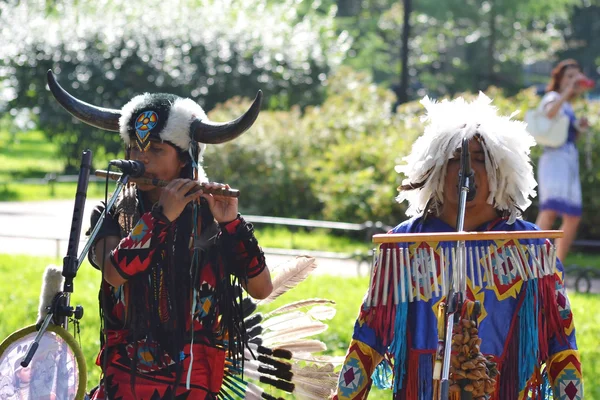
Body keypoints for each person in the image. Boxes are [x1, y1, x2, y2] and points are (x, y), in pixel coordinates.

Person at [333, 94, 582, 399]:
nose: (467, 169)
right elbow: (369, 331)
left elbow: (560, 337)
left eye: (480, 159)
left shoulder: (531, 246)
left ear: (500, 170)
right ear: (436, 167)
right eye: (455, 159)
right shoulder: (403, 244)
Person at [47, 71, 273, 399]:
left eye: (155, 150)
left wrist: (233, 224)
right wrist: (161, 217)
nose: (139, 159)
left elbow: (261, 287)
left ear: (185, 157)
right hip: (127, 375)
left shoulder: (211, 217)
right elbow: (114, 273)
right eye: (133, 148)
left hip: (195, 374)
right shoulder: (113, 212)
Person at [535, 59, 592, 262]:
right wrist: (568, 91)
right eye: (569, 76)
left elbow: (566, 134)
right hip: (554, 160)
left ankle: (557, 264)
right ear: (559, 79)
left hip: (569, 160)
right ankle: (533, 260)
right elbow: (549, 114)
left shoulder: (569, 105)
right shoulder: (552, 97)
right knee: (550, 210)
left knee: (573, 216)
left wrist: (579, 127)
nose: (573, 81)